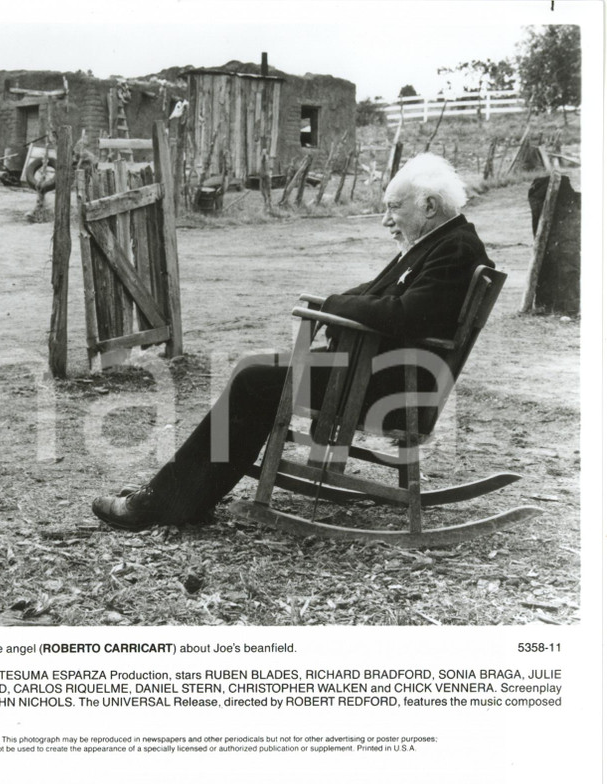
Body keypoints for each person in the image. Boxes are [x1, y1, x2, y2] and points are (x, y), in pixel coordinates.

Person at [92, 152, 493, 530]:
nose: (386, 220)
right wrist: (336, 303)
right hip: (375, 374)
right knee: (255, 371)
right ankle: (185, 495)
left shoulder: (454, 250)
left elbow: (403, 315)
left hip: (383, 387)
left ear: (429, 206)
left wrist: (333, 306)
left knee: (254, 380)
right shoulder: (440, 243)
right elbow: (376, 293)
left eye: (394, 207)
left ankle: (163, 502)